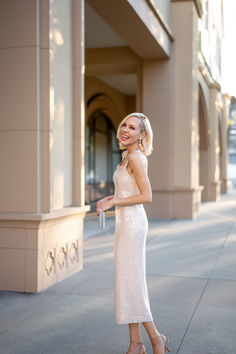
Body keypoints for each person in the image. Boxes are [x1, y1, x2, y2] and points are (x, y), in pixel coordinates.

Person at [96, 113, 171, 354]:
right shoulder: (126, 157)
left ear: (142, 135)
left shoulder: (136, 158)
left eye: (133, 127)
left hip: (133, 225)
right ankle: (135, 344)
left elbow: (146, 196)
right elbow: (128, 192)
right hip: (125, 224)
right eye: (124, 125)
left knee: (133, 282)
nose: (125, 129)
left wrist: (114, 202)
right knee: (128, 282)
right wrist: (111, 198)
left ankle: (156, 338)